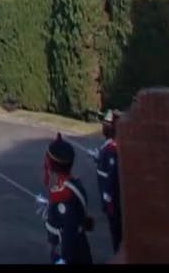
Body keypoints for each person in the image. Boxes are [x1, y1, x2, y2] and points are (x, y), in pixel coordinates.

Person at [37, 134, 94, 265]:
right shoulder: (70, 185)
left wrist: (64, 260)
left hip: (69, 253)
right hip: (77, 246)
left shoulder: (64, 195)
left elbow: (68, 233)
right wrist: (51, 205)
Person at [88, 110, 122, 253]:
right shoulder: (107, 148)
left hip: (113, 202)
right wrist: (98, 158)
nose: (104, 127)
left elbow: (112, 176)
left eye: (107, 125)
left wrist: (108, 199)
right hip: (111, 202)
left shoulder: (111, 149)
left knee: (117, 235)